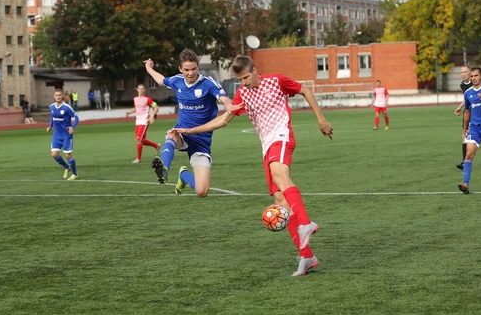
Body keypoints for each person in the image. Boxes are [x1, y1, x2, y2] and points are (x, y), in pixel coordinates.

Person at [173, 55, 333, 276]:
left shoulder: (276, 81)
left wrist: (321, 120)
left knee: (280, 176)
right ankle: (306, 256)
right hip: (267, 146)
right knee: (280, 202)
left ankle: (306, 224)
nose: (245, 82)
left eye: (247, 77)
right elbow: (224, 119)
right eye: (241, 79)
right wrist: (191, 131)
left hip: (282, 136)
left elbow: (305, 90)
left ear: (255, 71)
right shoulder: (243, 94)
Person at [144, 48, 234, 197]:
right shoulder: (177, 81)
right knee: (172, 134)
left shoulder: (208, 83)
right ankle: (164, 169)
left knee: (202, 191)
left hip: (202, 140)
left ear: (198, 67)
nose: (190, 73)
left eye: (193, 69)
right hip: (182, 133)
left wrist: (229, 106)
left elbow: (223, 97)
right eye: (186, 69)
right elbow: (160, 80)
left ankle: (183, 175)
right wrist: (148, 67)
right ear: (180, 69)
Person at [47, 88, 79, 181]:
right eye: (56, 95)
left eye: (60, 95)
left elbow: (76, 118)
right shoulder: (51, 107)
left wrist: (72, 127)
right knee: (54, 155)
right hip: (56, 135)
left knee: (68, 155)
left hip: (66, 135)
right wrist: (50, 126)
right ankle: (66, 167)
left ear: (62, 96)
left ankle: (74, 174)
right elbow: (52, 117)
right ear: (54, 97)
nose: (58, 97)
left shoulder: (67, 107)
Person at [125, 84, 160, 164]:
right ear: (137, 90)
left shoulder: (148, 99)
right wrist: (129, 112)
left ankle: (138, 159)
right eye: (139, 89)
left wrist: (152, 115)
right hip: (137, 121)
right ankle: (156, 146)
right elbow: (136, 108)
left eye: (142, 89)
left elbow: (156, 107)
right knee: (141, 140)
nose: (141, 91)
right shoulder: (135, 99)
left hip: (144, 121)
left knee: (139, 140)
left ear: (145, 90)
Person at [453, 65, 473, 170]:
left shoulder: (475, 83)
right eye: (462, 72)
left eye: (465, 72)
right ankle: (464, 161)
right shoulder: (462, 85)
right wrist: (459, 107)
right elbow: (466, 98)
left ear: (470, 72)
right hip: (467, 114)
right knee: (465, 136)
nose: (463, 74)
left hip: (477, 114)